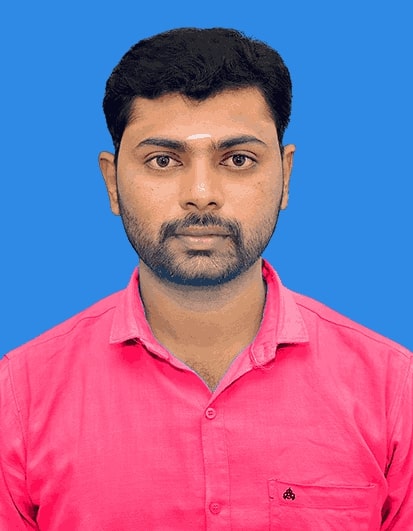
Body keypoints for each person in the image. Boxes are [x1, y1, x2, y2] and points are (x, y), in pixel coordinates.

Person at [0, 27, 411, 530]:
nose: (200, 193)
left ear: (285, 175)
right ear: (111, 182)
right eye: (163, 160)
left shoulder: (394, 391)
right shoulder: (18, 397)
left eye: (237, 160)